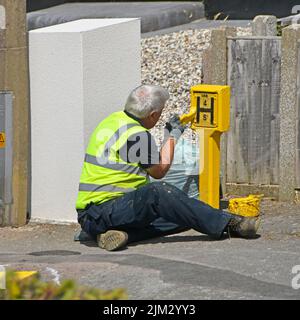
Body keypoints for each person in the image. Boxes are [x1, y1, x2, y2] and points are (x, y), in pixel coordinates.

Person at [76, 85, 261, 251]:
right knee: (161, 194)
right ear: (152, 115)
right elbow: (159, 171)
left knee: (185, 214)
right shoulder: (135, 135)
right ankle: (229, 223)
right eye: (161, 112)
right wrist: (172, 135)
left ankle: (112, 234)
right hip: (101, 211)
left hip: (98, 213)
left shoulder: (113, 121)